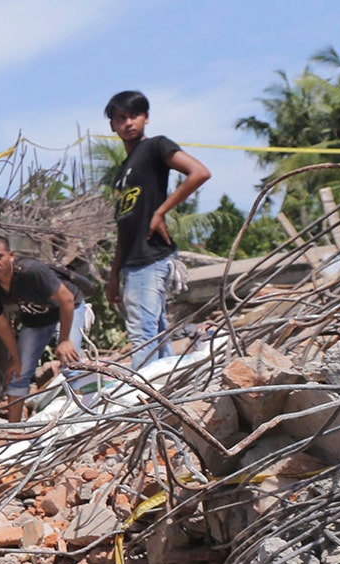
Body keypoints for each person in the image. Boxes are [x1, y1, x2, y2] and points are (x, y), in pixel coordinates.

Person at [103, 90, 210, 369]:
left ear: (146, 118)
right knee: (157, 334)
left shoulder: (155, 147)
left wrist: (160, 211)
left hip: (150, 258)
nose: (128, 123)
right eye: (121, 118)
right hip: (132, 263)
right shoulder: (121, 173)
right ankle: (167, 396)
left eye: (134, 115)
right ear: (112, 125)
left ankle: (146, 402)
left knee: (143, 336)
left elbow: (199, 172)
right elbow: (123, 227)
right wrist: (113, 275)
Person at [0, 235, 90, 421]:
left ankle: (78, 420)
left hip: (68, 309)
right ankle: (13, 432)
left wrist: (64, 341)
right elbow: (0, 323)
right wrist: (15, 356)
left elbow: (67, 300)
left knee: (70, 362)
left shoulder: (31, 271)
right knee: (18, 373)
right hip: (36, 319)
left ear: (11, 256)